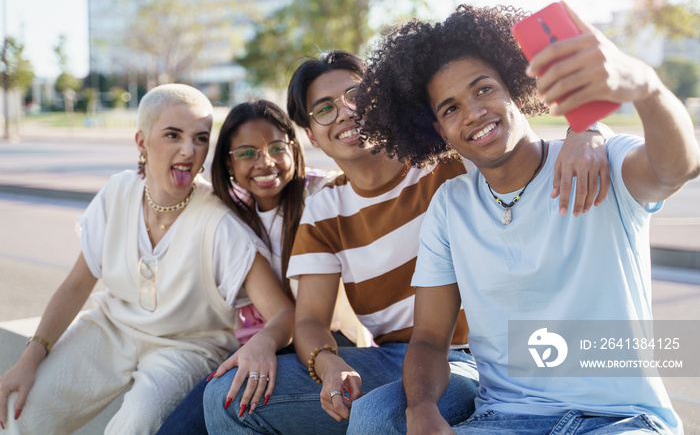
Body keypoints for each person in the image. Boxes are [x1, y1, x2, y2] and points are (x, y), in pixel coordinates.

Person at [204, 50, 612, 434]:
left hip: (475, 358)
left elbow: (521, 142)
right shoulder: (324, 209)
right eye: (324, 108)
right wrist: (329, 365)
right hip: (390, 360)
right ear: (311, 134)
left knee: (377, 419)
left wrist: (588, 128)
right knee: (227, 397)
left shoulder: (449, 163)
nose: (344, 111)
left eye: (355, 95)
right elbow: (309, 319)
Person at [357, 3, 699, 434]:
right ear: (440, 132)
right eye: (450, 108)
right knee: (374, 421)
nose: (474, 112)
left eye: (483, 89)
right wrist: (422, 407)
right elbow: (428, 338)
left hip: (621, 418)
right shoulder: (451, 205)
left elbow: (677, 167)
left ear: (515, 89)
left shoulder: (598, 159)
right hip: (505, 420)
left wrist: (646, 87)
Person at [0, 84, 294, 434]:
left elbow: (283, 313)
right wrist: (30, 358)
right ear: (141, 142)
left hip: (189, 347)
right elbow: (77, 284)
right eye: (173, 135)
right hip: (112, 329)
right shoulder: (117, 193)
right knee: (20, 411)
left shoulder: (220, 223)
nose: (189, 150)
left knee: (136, 423)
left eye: (200, 138)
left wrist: (262, 343)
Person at [158, 99, 366, 434]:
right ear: (228, 162)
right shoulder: (230, 213)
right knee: (182, 426)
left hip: (331, 343)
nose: (264, 162)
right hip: (266, 342)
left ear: (294, 149)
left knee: (227, 402)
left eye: (275, 148)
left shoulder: (323, 193)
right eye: (246, 153)